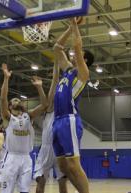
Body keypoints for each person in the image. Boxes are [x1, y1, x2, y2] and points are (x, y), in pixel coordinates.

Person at [51, 17, 94, 193]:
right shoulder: (68, 70)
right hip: (57, 120)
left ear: (83, 59)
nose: (73, 54)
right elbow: (56, 48)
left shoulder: (83, 73)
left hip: (69, 119)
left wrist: (75, 26)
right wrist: (69, 28)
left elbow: (76, 47)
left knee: (74, 165)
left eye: (78, 55)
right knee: (63, 166)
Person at [0, 63, 47, 193]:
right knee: (6, 191)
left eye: (18, 99)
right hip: (11, 157)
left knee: (24, 191)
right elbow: (3, 98)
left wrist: (39, 88)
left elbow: (44, 105)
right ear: (9, 106)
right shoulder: (7, 117)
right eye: (13, 100)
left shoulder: (28, 116)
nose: (16, 100)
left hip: (26, 158)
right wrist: (6, 78)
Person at [34, 62, 67, 193]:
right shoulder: (50, 108)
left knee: (63, 182)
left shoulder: (65, 110)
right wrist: (57, 61)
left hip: (61, 149)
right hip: (46, 148)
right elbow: (55, 79)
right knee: (41, 180)